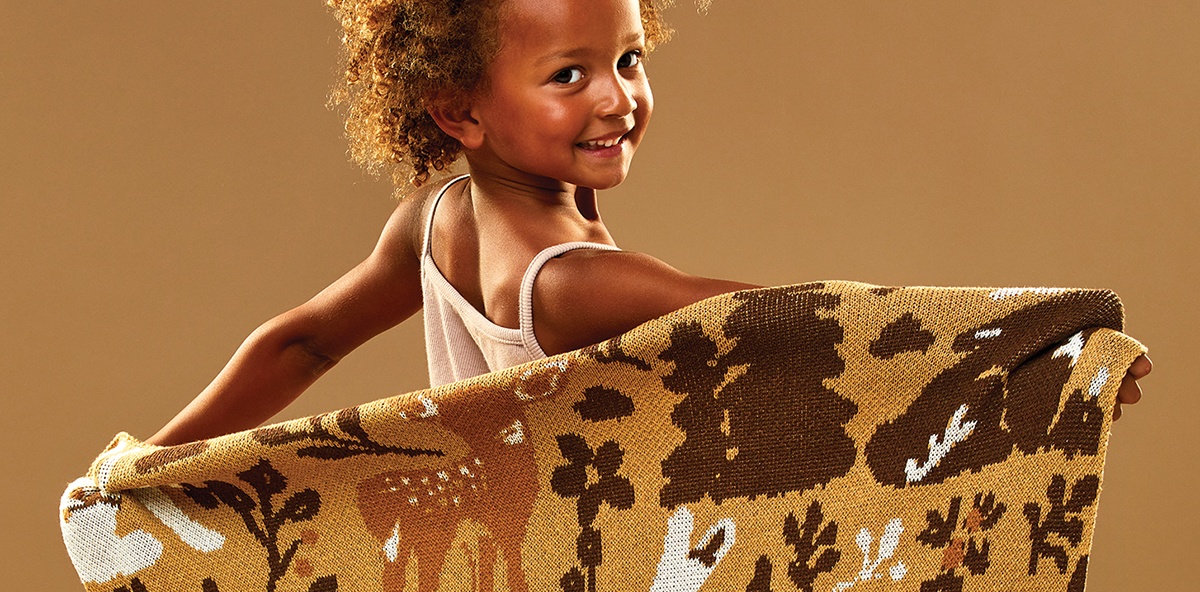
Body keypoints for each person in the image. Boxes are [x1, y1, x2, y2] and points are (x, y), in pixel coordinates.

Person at [147, 0, 1149, 447]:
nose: (617, 97)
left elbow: (303, 341)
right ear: (457, 109)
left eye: (629, 58)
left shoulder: (435, 220)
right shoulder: (568, 282)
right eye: (568, 75)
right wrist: (1045, 351)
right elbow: (811, 323)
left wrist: (149, 459)